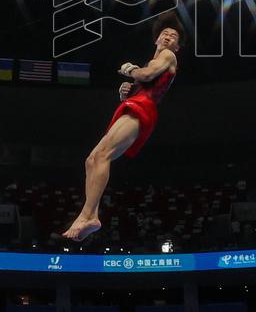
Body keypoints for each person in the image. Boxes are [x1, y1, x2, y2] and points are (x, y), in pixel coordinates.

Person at [59, 14, 185, 242]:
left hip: (143, 109)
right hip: (134, 105)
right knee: (91, 159)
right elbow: (144, 78)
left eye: (173, 36)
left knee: (103, 155)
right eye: (165, 34)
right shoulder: (153, 61)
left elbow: (145, 74)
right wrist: (125, 90)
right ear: (156, 39)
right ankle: (92, 216)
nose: (168, 37)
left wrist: (130, 70)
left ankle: (86, 215)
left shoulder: (168, 56)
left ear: (176, 46)